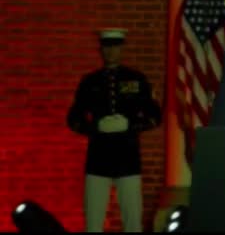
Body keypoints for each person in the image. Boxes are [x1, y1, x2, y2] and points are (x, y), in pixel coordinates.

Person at [67, 28, 162, 232]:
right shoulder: (90, 82)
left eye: (115, 47)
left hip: (127, 157)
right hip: (98, 158)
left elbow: (155, 115)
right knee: (93, 222)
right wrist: (94, 127)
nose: (111, 52)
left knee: (132, 221)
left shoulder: (136, 80)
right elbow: (73, 118)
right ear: (101, 50)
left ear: (122, 48)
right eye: (107, 47)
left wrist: (132, 126)